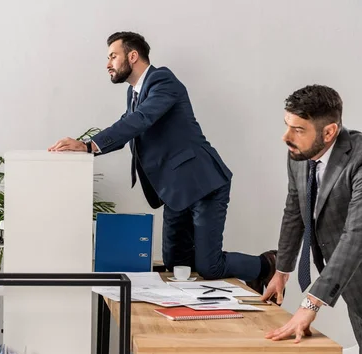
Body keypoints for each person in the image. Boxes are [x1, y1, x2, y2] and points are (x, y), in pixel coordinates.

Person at [49, 31, 275, 290]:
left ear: (132, 56)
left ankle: (267, 265)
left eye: (113, 56)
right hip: (175, 190)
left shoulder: (162, 80)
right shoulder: (134, 93)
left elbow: (141, 120)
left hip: (203, 184)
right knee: (175, 263)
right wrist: (89, 148)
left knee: (209, 266)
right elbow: (127, 126)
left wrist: (89, 146)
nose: (108, 64)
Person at [263, 85, 362, 354]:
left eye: (298, 129)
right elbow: (295, 208)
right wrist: (281, 271)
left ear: (330, 131)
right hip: (356, 281)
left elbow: (359, 235)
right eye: (287, 125)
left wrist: (311, 303)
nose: (287, 136)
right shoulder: (298, 153)